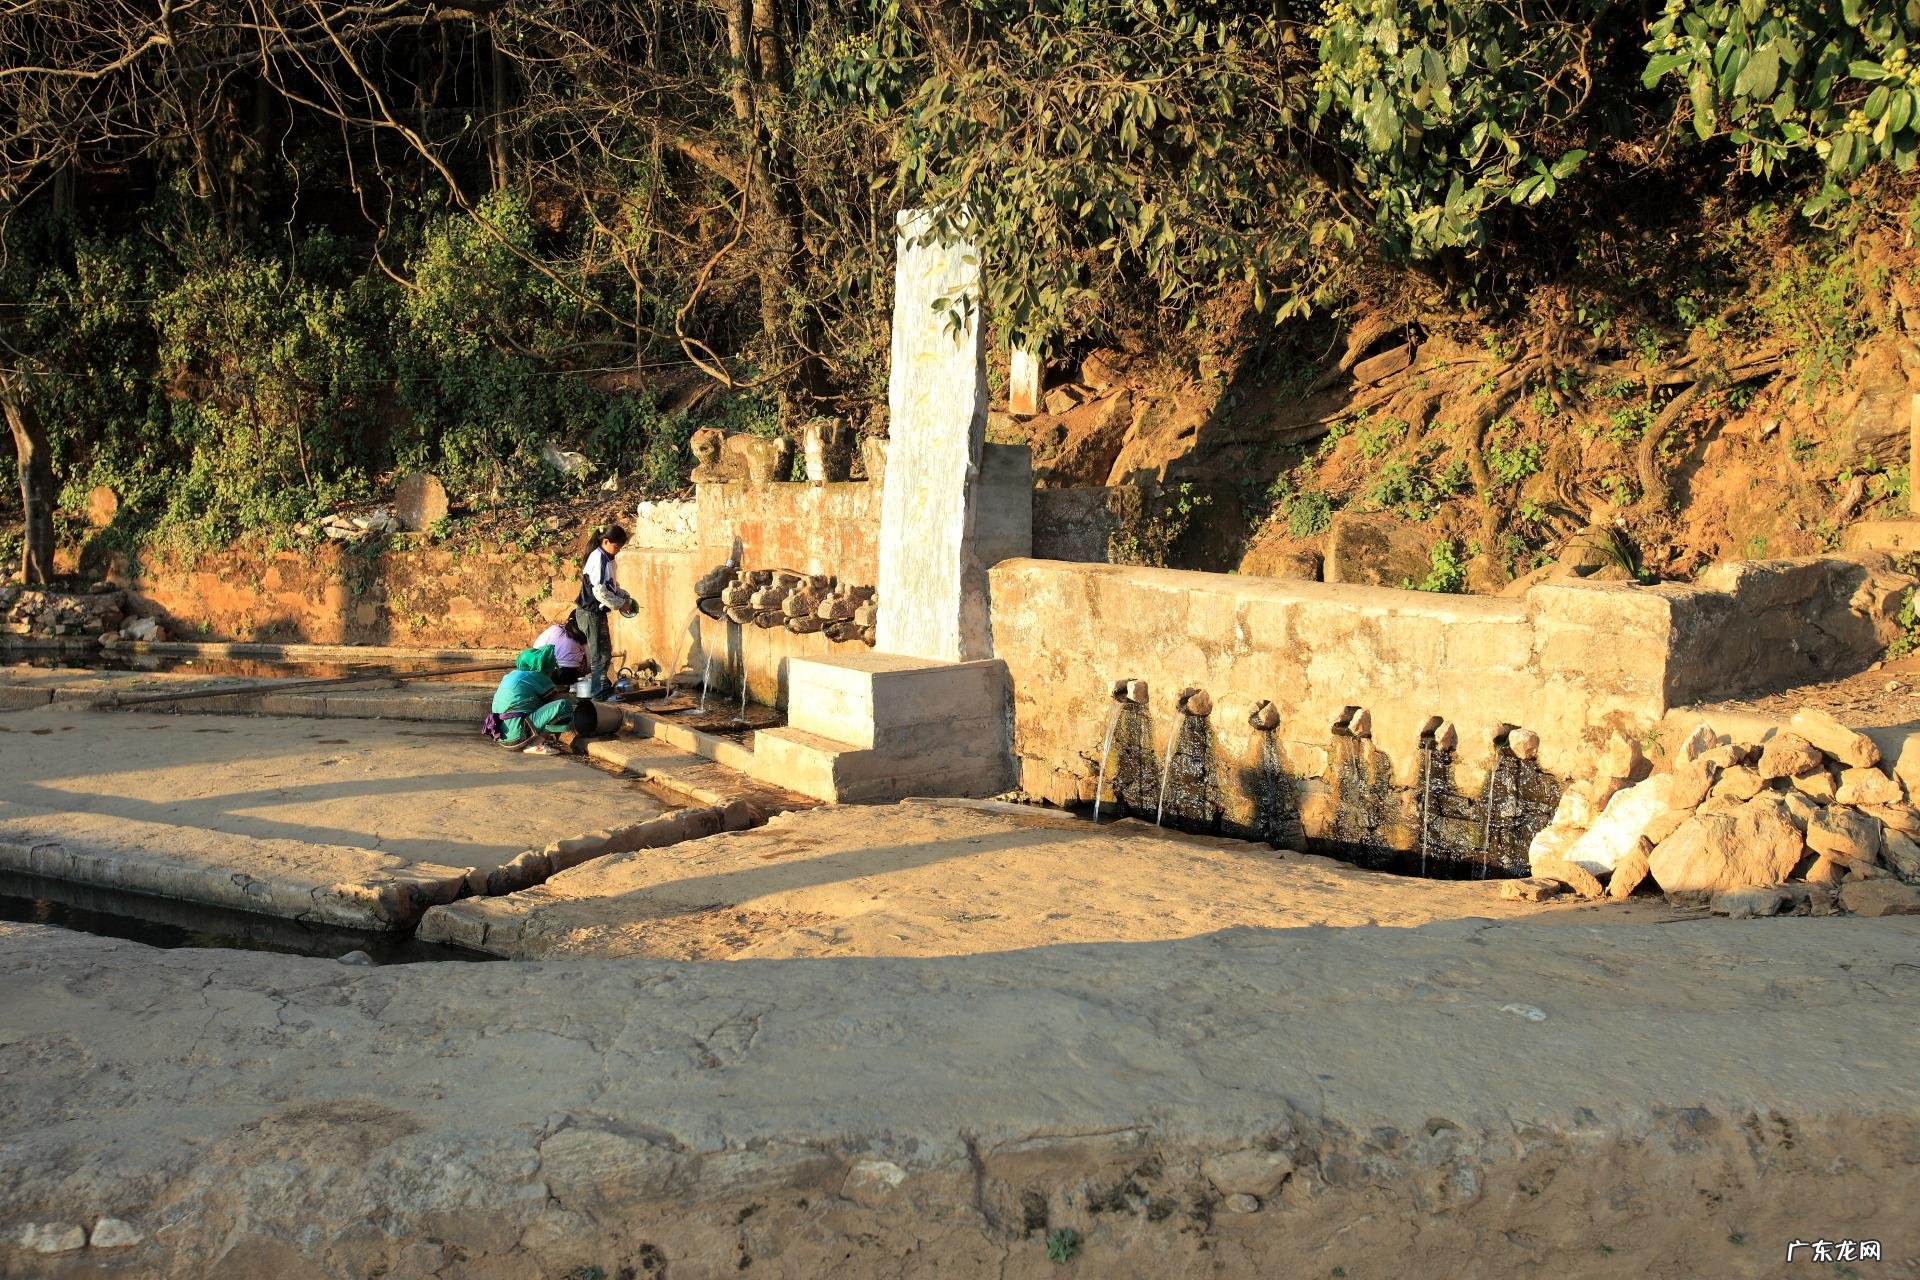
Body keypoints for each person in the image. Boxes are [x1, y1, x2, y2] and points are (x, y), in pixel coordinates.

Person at [573, 525, 634, 698]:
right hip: (589, 613)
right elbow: (599, 591)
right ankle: (597, 693)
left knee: (605, 653)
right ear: (605, 541)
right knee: (599, 654)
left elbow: (611, 586)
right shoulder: (598, 558)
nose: (617, 551)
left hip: (596, 613)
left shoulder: (608, 559)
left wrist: (623, 596)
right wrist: (621, 604)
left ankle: (601, 687)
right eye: (616, 547)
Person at [483, 644, 574, 755]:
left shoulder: (511, 675)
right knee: (564, 706)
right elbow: (555, 700)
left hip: (502, 738)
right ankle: (536, 744)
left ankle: (532, 739)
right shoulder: (536, 676)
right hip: (517, 735)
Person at [534, 615, 588, 685]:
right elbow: (591, 659)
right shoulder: (583, 635)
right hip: (572, 675)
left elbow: (536, 646)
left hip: (550, 674)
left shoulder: (554, 629)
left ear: (568, 620)